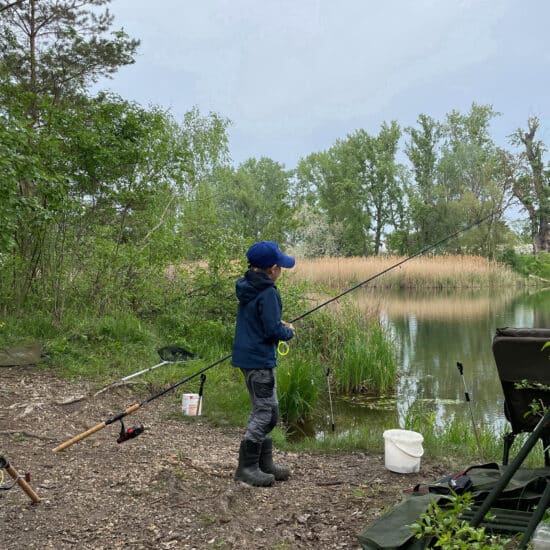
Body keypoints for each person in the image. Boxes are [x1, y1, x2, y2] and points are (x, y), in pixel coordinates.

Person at [232, 241, 296, 487]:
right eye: (280, 266)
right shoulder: (268, 291)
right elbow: (272, 330)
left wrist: (277, 323)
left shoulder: (248, 285)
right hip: (259, 360)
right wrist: (288, 331)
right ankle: (246, 468)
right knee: (267, 414)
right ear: (272, 269)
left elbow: (260, 321)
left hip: (248, 358)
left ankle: (263, 463)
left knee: (268, 409)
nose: (282, 270)